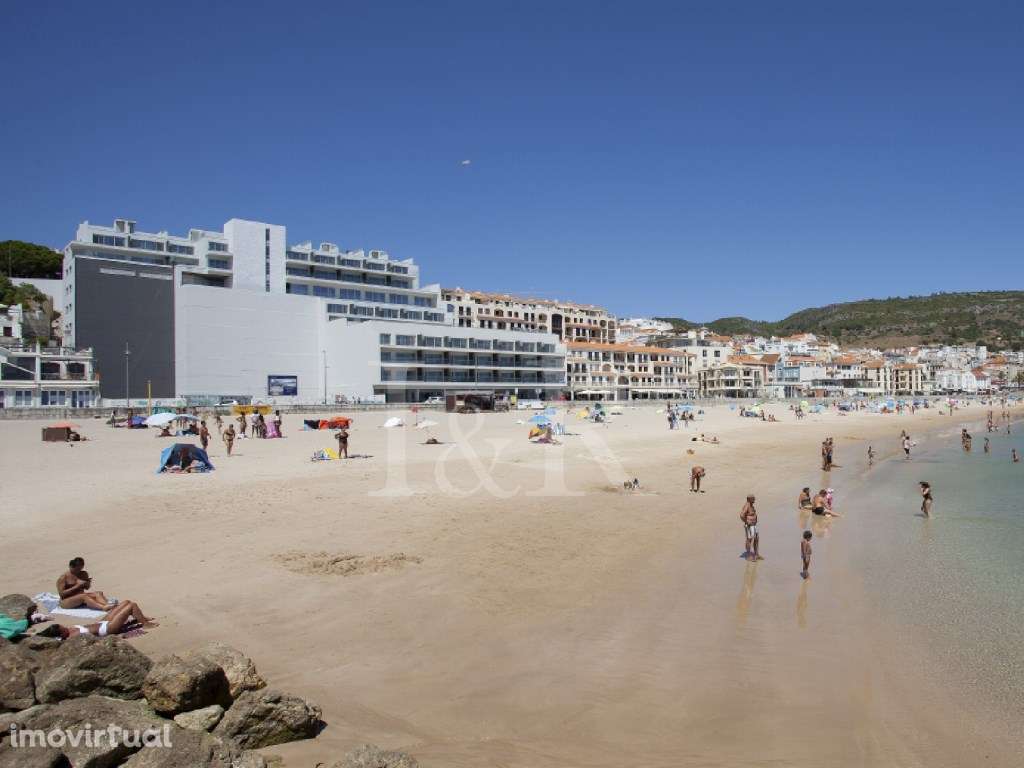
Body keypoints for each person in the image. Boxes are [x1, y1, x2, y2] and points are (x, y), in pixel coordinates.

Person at [57, 600, 158, 639]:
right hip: (107, 629)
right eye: (63, 629)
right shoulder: (73, 637)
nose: (65, 627)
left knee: (126, 602)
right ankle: (145, 624)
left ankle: (141, 617)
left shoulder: (69, 631)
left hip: (102, 623)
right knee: (132, 606)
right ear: (62, 634)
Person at [741, 495, 761, 561]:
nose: (754, 499)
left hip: (753, 524)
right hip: (749, 525)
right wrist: (746, 522)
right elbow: (742, 515)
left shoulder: (751, 505)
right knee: (749, 539)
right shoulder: (747, 506)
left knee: (756, 538)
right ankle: (748, 555)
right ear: (749, 499)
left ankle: (756, 554)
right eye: (753, 498)